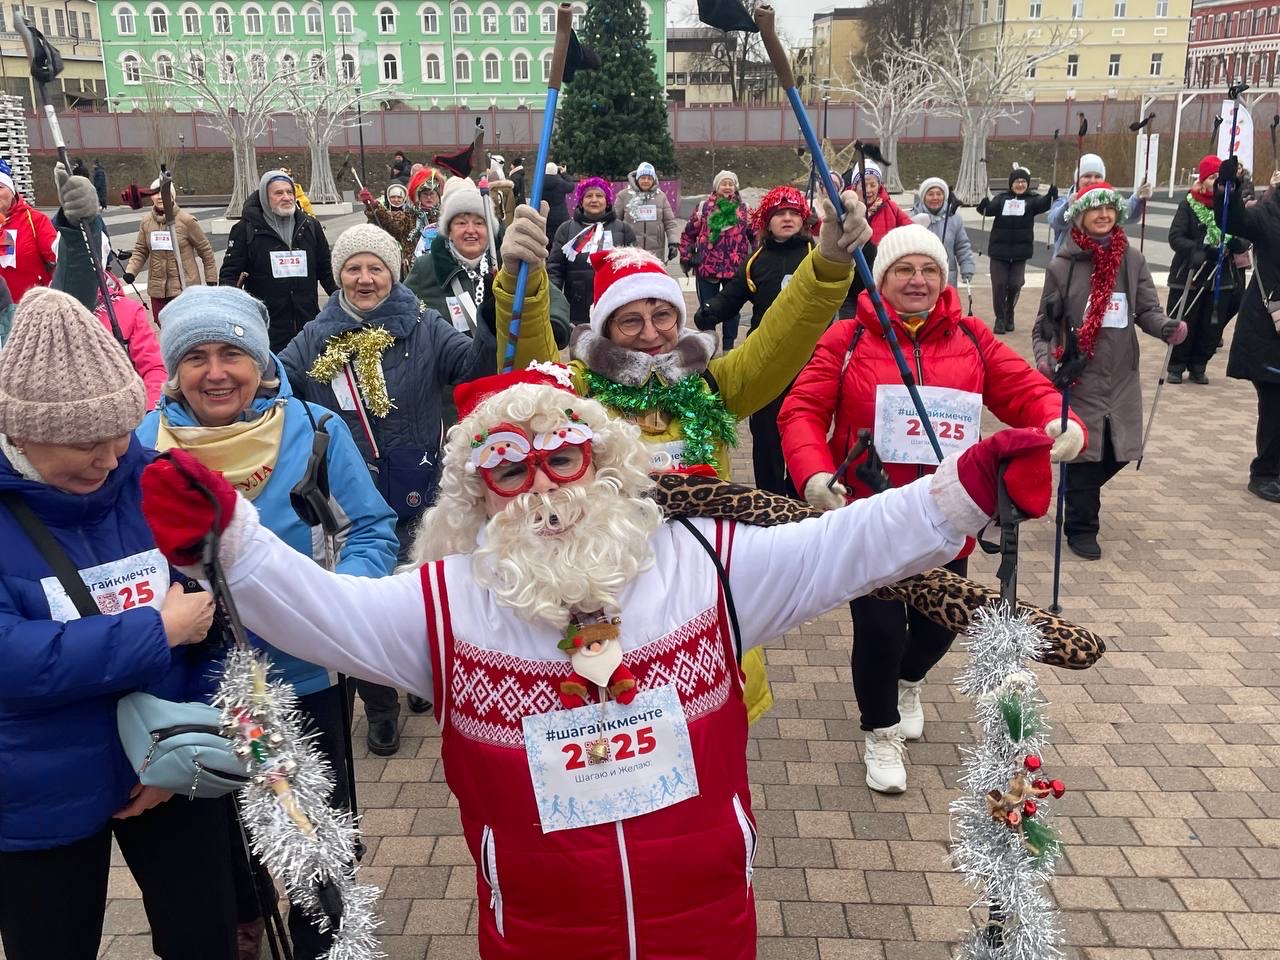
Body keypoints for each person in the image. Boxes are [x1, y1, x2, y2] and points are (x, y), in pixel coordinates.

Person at [138, 362, 1054, 960]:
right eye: (508, 468)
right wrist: (237, 536)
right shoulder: (445, 604)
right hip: (536, 932)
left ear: (602, 463)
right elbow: (321, 614)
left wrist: (960, 492)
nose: (542, 484)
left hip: (710, 925)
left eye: (564, 455)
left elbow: (844, 545)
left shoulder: (709, 566)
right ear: (477, 493)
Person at [497, 191, 874, 724]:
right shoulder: (576, 394)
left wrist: (830, 263)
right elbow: (523, 373)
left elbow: (780, 340)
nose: (651, 335)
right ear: (605, 329)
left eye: (662, 315)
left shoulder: (711, 383)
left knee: (711, 740)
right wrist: (522, 281)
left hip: (704, 595)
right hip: (605, 600)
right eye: (630, 322)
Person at [135, 286, 398, 959]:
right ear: (173, 367)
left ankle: (327, 940)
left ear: (260, 362)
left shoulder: (313, 430)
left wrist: (338, 602)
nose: (215, 371)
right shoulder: (143, 444)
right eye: (196, 356)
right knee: (219, 833)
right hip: (191, 683)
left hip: (304, 671)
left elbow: (369, 527)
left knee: (314, 826)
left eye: (232, 353)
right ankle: (245, 921)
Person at [778, 223, 1086, 792]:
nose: (917, 281)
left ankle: (909, 681)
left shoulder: (971, 336)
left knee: (939, 627)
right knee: (877, 630)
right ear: (882, 276)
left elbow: (1024, 389)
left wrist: (1058, 419)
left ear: (942, 279)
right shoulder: (846, 339)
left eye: (928, 271)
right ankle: (881, 732)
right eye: (903, 270)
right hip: (872, 515)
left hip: (952, 514)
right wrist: (816, 473)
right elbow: (800, 410)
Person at [0, 287, 238, 960]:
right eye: (85, 447)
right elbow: (12, 660)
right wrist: (155, 632)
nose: (109, 462)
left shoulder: (154, 478)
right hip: (38, 791)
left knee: (205, 940)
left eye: (118, 438)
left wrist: (185, 746)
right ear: (20, 433)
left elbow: (218, 626)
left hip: (168, 765)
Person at [280, 224, 497, 753]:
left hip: (416, 482)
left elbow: (472, 366)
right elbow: (277, 385)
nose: (364, 278)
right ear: (338, 277)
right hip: (348, 497)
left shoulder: (424, 324)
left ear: (392, 272)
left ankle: (414, 676)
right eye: (353, 268)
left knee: (418, 587)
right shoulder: (315, 335)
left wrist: (494, 318)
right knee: (364, 596)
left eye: (375, 267)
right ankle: (379, 704)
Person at [1033, 182, 1188, 558]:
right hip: (1079, 372)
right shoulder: (1062, 265)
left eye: (1109, 209)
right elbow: (1044, 323)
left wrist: (1166, 327)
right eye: (1094, 209)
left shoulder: (1131, 260)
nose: (1103, 215)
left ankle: (1073, 490)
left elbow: (1146, 310)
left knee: (1118, 450)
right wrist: (1045, 358)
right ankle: (1082, 527)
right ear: (1080, 217)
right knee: (1086, 452)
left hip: (1120, 373)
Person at [694, 185, 870, 495]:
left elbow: (856, 283)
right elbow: (734, 295)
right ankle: (770, 494)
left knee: (805, 425)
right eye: (779, 214)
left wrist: (862, 249)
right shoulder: (755, 260)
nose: (787, 219)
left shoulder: (816, 253)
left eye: (793, 213)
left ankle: (801, 489)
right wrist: (711, 311)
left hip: (811, 358)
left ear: (804, 219)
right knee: (766, 432)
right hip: (768, 358)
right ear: (767, 221)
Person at [406, 176, 571, 366]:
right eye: (461, 223)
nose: (471, 230)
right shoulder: (427, 267)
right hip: (451, 379)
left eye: (479, 223)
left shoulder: (508, 262)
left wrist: (551, 326)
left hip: (503, 373)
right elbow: (403, 307)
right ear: (449, 231)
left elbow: (549, 296)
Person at [45, 165, 167, 407]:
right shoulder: (47, 311)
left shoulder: (127, 311)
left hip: (127, 418)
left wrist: (151, 411)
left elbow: (154, 368)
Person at [1212, 155, 1280, 503]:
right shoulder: (1268, 213)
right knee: (1275, 404)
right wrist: (1228, 186)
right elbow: (1232, 219)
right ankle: (1264, 473)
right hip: (1268, 329)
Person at [219, 170, 337, 354]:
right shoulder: (245, 229)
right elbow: (230, 275)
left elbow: (326, 271)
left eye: (289, 192)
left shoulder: (310, 226)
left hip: (308, 324)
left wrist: (343, 300)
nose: (286, 197)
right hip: (267, 328)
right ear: (265, 197)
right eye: (278, 193)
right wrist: (231, 314)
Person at [1166, 155, 1248, 384]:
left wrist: (1236, 243)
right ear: (1202, 181)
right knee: (1185, 320)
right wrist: (1198, 249)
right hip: (1191, 273)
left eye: (1220, 179)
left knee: (1211, 325)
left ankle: (1199, 364)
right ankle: (1176, 364)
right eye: (1212, 178)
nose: (1216, 183)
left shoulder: (1230, 208)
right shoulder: (1189, 205)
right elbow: (1175, 237)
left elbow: (1245, 234)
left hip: (1220, 277)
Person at [678, 171, 755, 351]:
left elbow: (755, 235)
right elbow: (688, 234)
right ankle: (709, 346)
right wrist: (687, 255)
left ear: (735, 187)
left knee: (732, 310)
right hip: (707, 266)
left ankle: (729, 347)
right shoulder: (704, 208)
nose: (727, 187)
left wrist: (757, 257)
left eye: (731, 183)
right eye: (723, 183)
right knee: (707, 310)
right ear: (716, 187)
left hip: (735, 268)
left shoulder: (744, 209)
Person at [977, 167, 1058, 334]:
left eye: (1023, 182)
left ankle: (1009, 310)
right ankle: (1000, 318)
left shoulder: (1032, 200)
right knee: (999, 285)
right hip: (999, 250)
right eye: (1017, 181)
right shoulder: (1002, 199)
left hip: (1020, 251)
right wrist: (983, 204)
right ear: (1011, 184)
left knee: (1015, 284)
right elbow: (987, 211)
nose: (1020, 184)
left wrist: (1051, 195)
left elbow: (1044, 205)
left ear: (1027, 184)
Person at [123, 178, 217, 320]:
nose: (160, 197)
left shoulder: (187, 221)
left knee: (184, 327)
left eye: (163, 192)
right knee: (163, 326)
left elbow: (205, 251)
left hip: (184, 287)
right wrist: (131, 271)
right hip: (158, 289)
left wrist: (211, 278)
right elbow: (141, 250)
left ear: (171, 195)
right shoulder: (146, 222)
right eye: (155, 193)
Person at [548, 177, 637, 328]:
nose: (594, 200)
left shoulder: (623, 229)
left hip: (614, 306)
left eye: (599, 196)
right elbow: (555, 269)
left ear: (607, 200)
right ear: (581, 201)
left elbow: (634, 268)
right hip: (577, 308)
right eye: (589, 196)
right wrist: (553, 302)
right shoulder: (566, 229)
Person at [1047, 153, 1147, 255]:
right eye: (1087, 176)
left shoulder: (1111, 200)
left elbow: (1129, 214)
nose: (1093, 181)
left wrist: (1138, 198)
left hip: (1104, 264)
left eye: (1098, 176)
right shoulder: (1063, 201)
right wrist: (1068, 207)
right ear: (1077, 179)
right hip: (1071, 264)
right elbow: (1055, 221)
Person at [0, 157, 56, 304]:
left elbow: (59, 262)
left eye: (0, 187)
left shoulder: (36, 220)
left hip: (33, 311)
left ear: (12, 190)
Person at [910, 176, 975, 288]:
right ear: (923, 197)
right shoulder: (912, 218)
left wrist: (967, 268)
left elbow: (962, 246)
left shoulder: (954, 218)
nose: (935, 198)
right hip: (921, 276)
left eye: (939, 194)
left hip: (947, 276)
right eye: (930, 194)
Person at [615, 161, 679, 261]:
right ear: (637, 179)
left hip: (655, 250)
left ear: (653, 180)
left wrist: (673, 243)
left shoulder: (661, 197)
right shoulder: (623, 195)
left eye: (649, 178)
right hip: (631, 249)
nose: (646, 181)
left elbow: (669, 222)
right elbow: (615, 222)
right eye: (643, 178)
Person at [847, 160, 912, 244]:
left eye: (873, 185)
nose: (868, 190)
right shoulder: (845, 206)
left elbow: (912, 230)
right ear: (855, 186)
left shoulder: (891, 208)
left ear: (879, 186)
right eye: (863, 185)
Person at [541, 161, 576, 243]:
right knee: (560, 239)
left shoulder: (540, 182)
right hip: (560, 216)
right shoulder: (560, 182)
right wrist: (564, 173)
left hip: (545, 215)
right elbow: (571, 186)